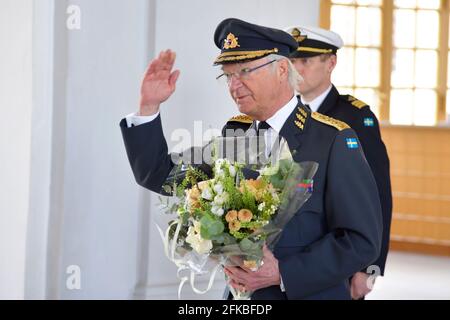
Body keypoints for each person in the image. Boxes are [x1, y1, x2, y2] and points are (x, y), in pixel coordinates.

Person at [120, 18, 382, 300]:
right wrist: (149, 107)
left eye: (244, 71)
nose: (234, 85)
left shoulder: (333, 139)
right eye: (228, 75)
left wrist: (283, 273)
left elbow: (361, 241)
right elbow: (161, 174)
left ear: (282, 69)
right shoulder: (236, 133)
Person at [284, 25, 392, 299]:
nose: (297, 69)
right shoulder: (287, 115)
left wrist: (370, 268)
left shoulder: (356, 117)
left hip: (341, 257)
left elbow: (378, 195)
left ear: (331, 62)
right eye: (292, 60)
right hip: (293, 261)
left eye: (305, 61)